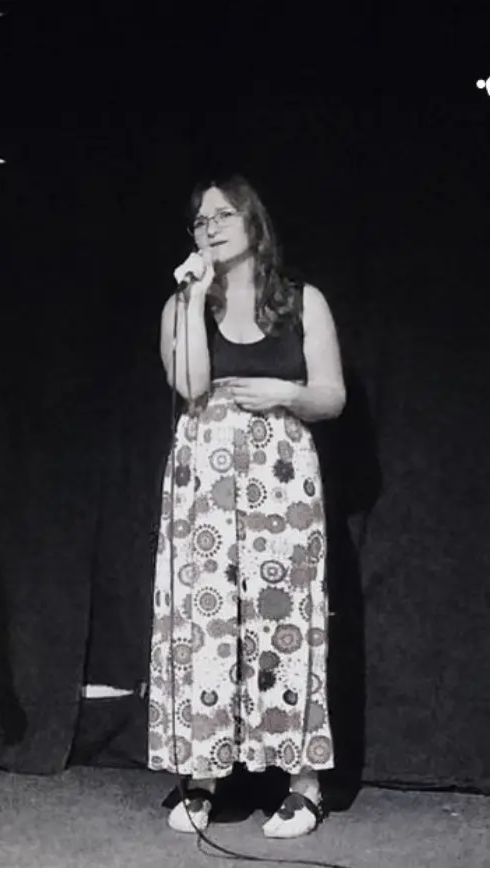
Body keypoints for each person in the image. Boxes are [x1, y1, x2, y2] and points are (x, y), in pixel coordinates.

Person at [149, 174, 347, 839]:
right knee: (203, 619)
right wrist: (193, 295)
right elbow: (189, 384)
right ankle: (202, 776)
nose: (210, 227)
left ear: (254, 222)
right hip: (203, 479)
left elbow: (332, 396)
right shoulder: (183, 304)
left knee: (284, 620)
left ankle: (303, 782)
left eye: (223, 214)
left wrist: (282, 392)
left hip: (282, 478)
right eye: (200, 220)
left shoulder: (301, 301)